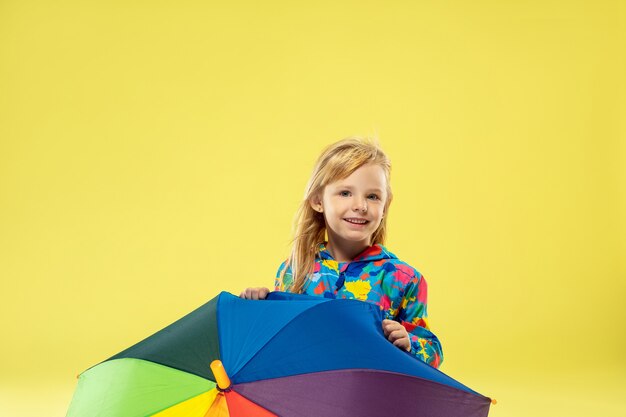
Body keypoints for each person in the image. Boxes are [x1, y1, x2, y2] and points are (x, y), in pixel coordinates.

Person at [240, 137, 443, 368]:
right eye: (345, 193)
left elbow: (433, 350)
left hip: (372, 394)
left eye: (373, 196)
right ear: (318, 201)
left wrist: (409, 343)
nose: (360, 205)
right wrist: (258, 307)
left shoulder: (403, 279)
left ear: (385, 207)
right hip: (309, 392)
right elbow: (279, 342)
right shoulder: (295, 271)